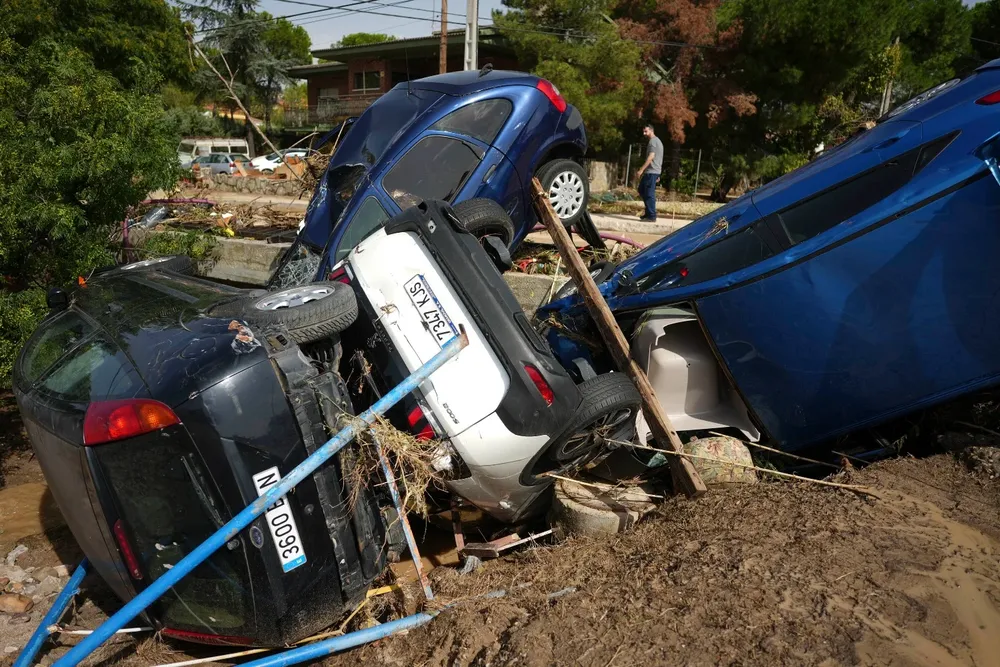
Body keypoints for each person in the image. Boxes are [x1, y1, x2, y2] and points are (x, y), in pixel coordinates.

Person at [635, 124, 663, 222]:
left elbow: (651, 157)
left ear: (651, 130)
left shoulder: (653, 141)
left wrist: (641, 170)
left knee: (649, 193)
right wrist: (658, 173)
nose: (644, 133)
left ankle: (651, 215)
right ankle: (648, 213)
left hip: (652, 172)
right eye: (643, 131)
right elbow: (659, 157)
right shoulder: (657, 141)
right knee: (642, 190)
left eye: (646, 131)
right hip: (653, 171)